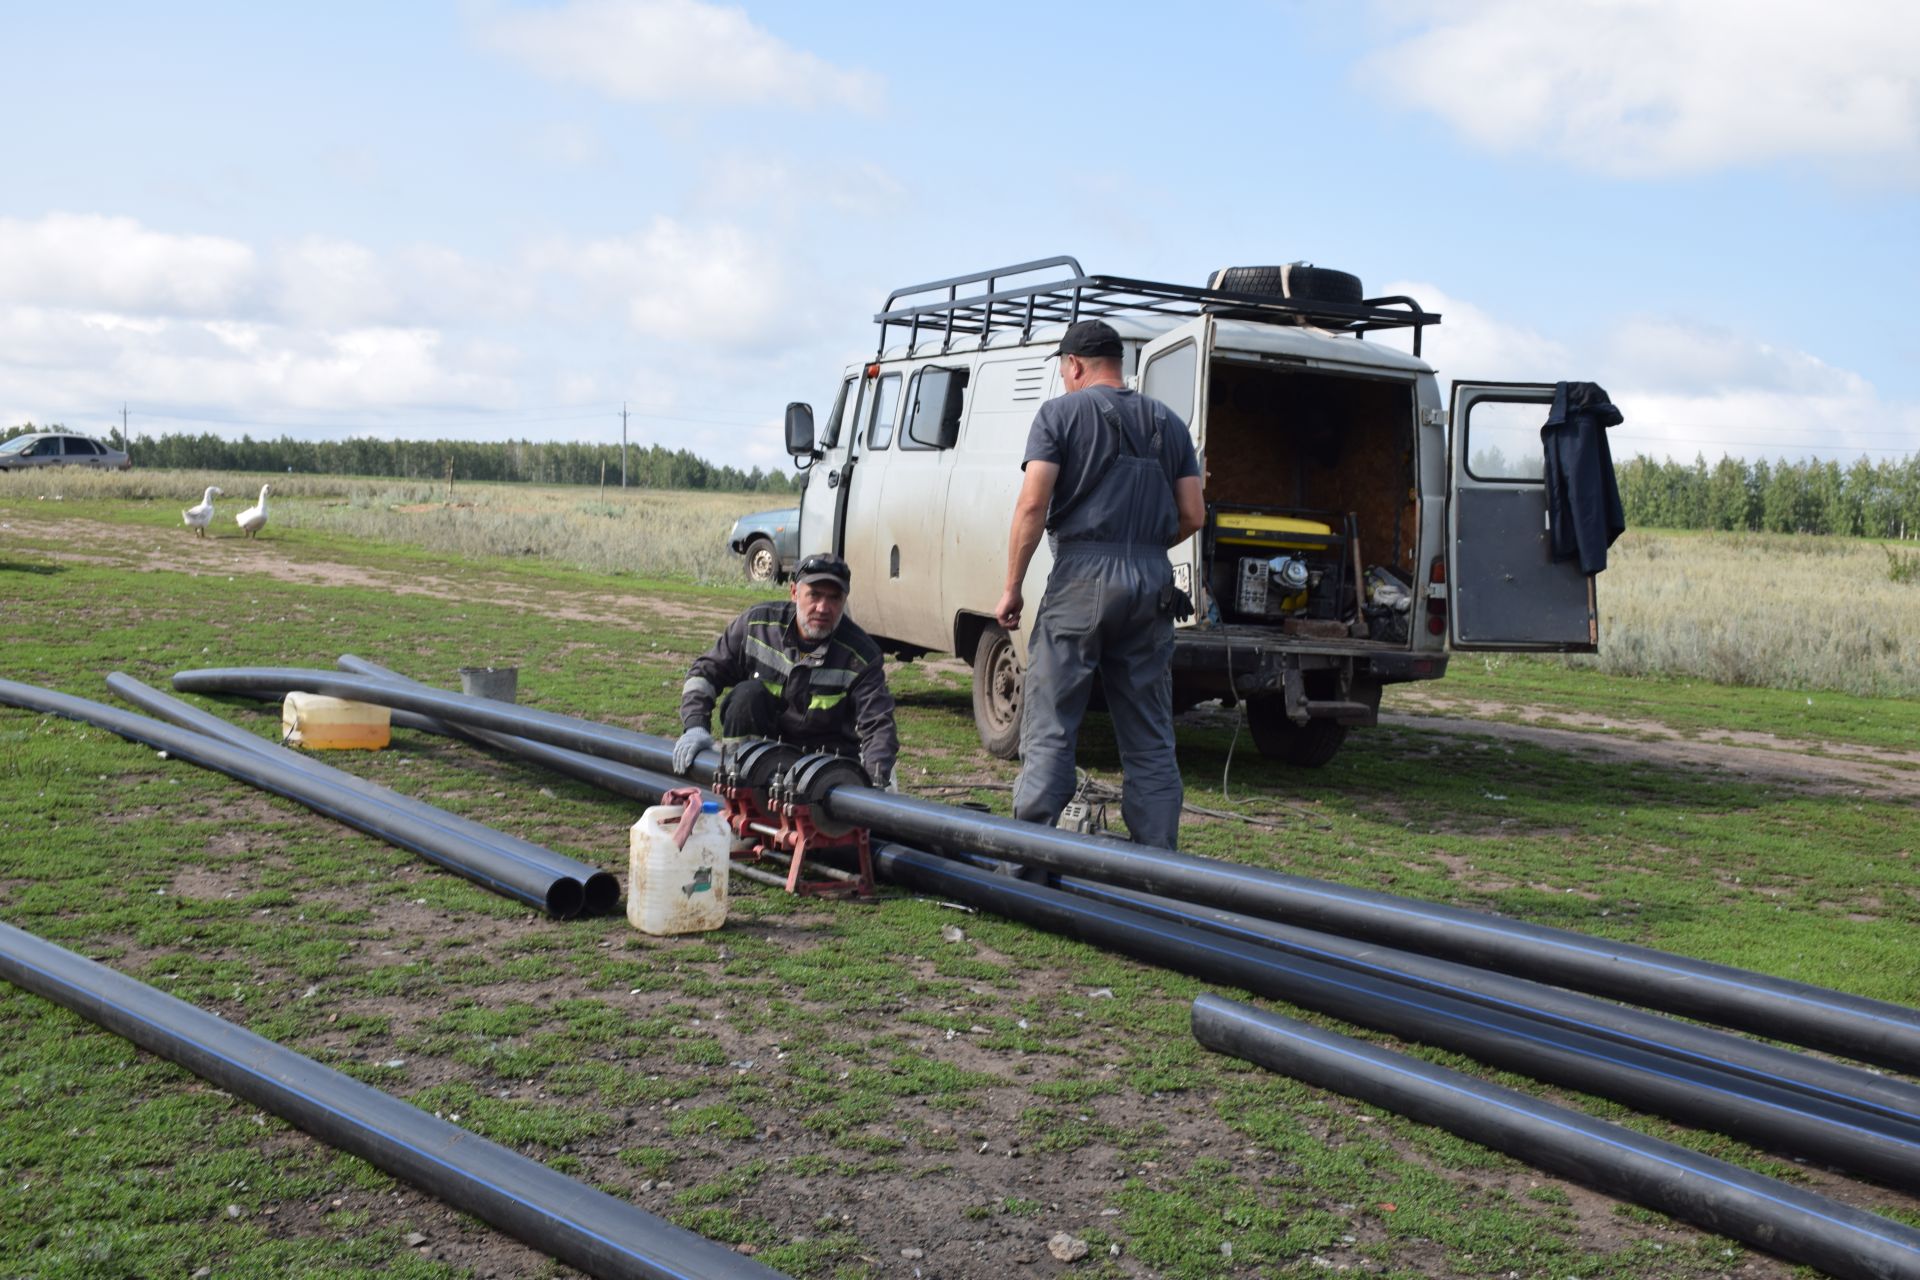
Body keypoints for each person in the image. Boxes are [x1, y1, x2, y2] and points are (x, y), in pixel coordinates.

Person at [993, 319, 1205, 849]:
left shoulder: (1058, 414)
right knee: (1150, 737)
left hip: (1082, 577)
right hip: (1152, 581)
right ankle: (1156, 867)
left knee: (1052, 726)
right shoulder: (1170, 423)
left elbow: (1033, 504)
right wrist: (1146, 545)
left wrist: (1012, 586)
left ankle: (1029, 860)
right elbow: (1194, 515)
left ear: (1074, 365)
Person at [672, 552, 900, 787]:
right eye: (814, 595)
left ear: (844, 601)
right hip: (758, 756)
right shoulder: (757, 626)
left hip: (824, 768)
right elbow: (704, 673)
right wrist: (695, 727)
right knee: (746, 697)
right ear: (794, 592)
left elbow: (879, 724)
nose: (823, 608)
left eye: (834, 598)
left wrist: (876, 781)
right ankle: (737, 788)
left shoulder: (861, 655)